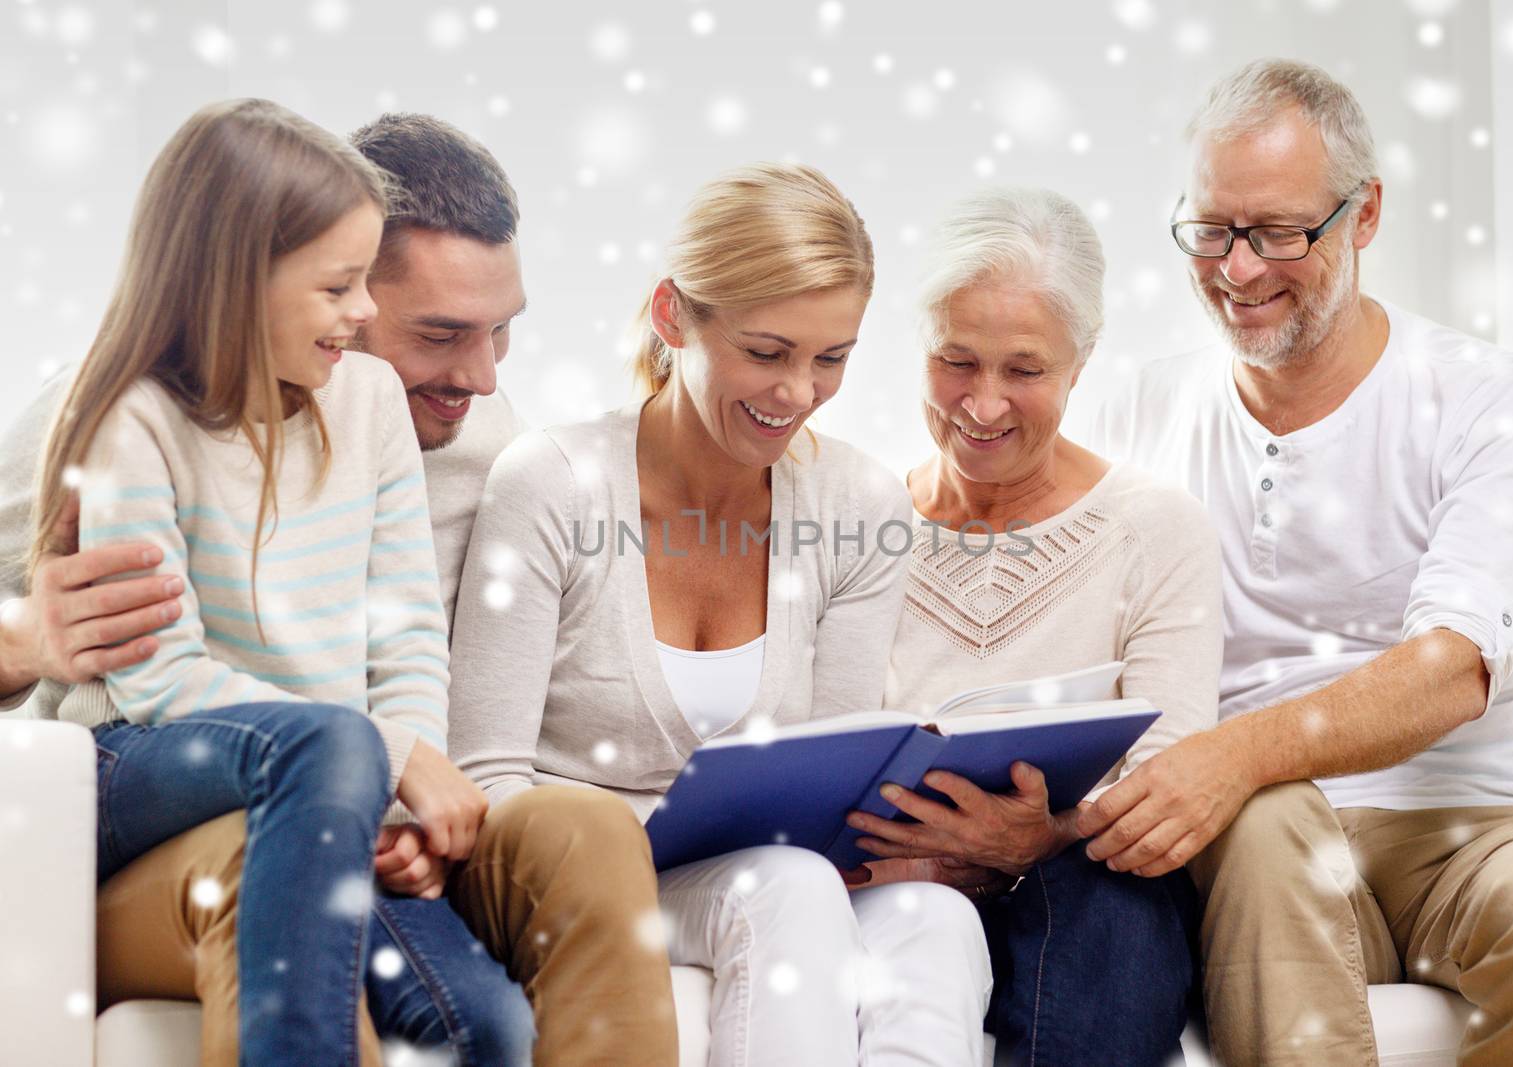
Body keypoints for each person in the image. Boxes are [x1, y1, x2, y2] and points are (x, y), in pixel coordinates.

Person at [0, 111, 678, 1066]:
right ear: (246, 285)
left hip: (358, 789)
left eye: (503, 334)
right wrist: (29, 637)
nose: (480, 378)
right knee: (307, 792)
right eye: (439, 332)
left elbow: (412, 647)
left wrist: (408, 804)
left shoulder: (431, 421)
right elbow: (155, 681)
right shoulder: (111, 414)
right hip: (174, 781)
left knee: (536, 923)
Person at [1087, 59, 1513, 1066]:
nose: (1237, 270)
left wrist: (1233, 751)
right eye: (1211, 230)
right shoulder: (1133, 414)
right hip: (1277, 839)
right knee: (1263, 810)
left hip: (1494, 818)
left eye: (1278, 232)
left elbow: (1452, 667)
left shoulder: (1488, 400)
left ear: (1363, 216)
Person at [447, 161, 994, 1066]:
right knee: (783, 886)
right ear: (674, 317)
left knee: (935, 918)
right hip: (573, 875)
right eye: (767, 352)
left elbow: (836, 760)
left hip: (758, 867)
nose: (798, 394)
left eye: (832, 358)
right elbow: (487, 771)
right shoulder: (551, 483)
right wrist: (636, 836)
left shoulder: (857, 501)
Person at [842, 187, 1220, 1067]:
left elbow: (1167, 779)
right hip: (900, 883)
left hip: (1091, 889)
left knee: (1107, 898)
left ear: (1081, 363)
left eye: (1024, 369)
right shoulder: (856, 525)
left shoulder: (1157, 527)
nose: (982, 404)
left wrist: (1038, 838)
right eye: (955, 360)